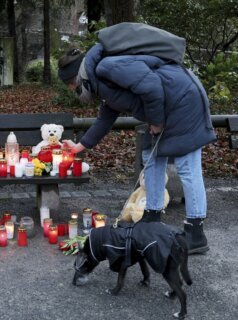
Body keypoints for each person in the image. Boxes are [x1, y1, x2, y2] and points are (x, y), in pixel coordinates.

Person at [58, 45, 216, 254]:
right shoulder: (100, 79)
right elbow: (107, 114)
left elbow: (151, 86)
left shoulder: (108, 67)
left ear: (78, 76)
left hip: (183, 101)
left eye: (71, 84)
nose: (72, 89)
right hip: (164, 106)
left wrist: (157, 121)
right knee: (150, 157)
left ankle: (195, 234)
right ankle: (151, 219)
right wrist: (80, 145)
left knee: (187, 167)